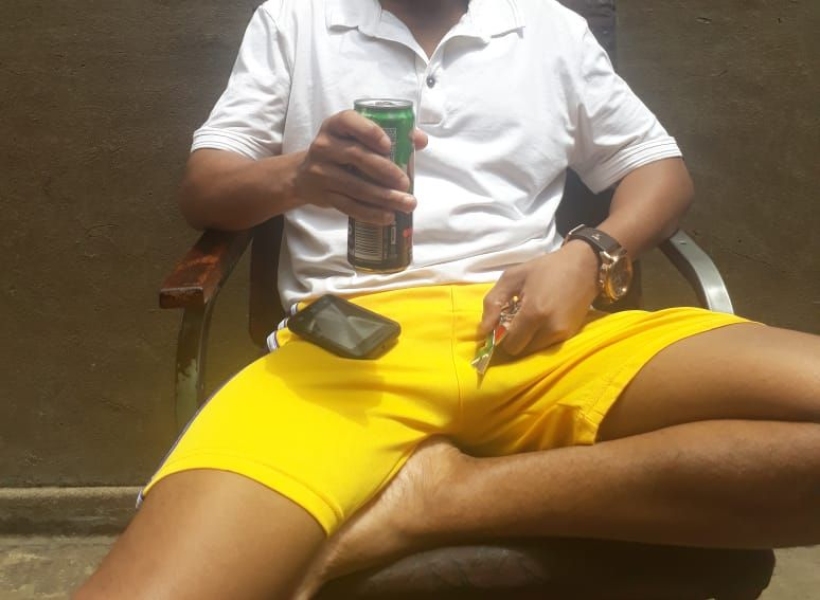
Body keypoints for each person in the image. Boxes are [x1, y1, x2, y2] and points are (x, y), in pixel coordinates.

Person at [76, 0, 820, 598]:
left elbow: (659, 170)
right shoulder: (296, 19)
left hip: (538, 334)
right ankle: (439, 496)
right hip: (346, 354)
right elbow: (206, 187)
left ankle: (443, 498)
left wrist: (589, 253)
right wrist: (298, 176)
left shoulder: (546, 25)